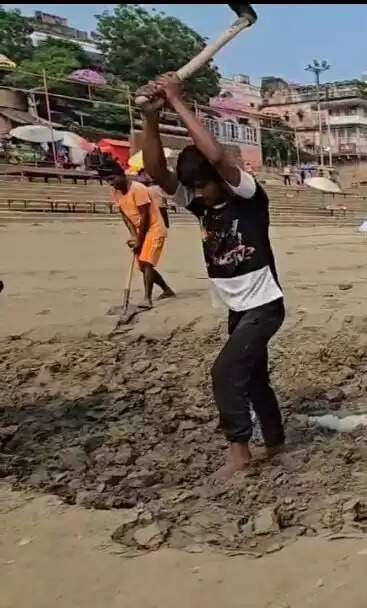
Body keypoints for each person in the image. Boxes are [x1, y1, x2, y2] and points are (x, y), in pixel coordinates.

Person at [137, 72, 286, 479]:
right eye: (194, 188)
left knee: (224, 373)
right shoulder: (200, 203)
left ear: (219, 181)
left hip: (264, 305)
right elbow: (156, 170)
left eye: (204, 186)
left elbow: (219, 158)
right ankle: (275, 439)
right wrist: (151, 117)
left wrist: (177, 100)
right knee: (252, 376)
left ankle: (240, 454)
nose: (199, 194)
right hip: (238, 307)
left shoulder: (247, 197)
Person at [100, 159, 175, 310]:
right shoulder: (115, 192)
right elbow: (125, 216)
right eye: (108, 181)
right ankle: (167, 290)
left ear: (121, 174)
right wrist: (134, 236)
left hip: (154, 228)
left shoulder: (138, 189)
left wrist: (140, 240)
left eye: (113, 178)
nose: (111, 183)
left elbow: (146, 218)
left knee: (146, 262)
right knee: (142, 266)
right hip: (140, 230)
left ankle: (147, 298)